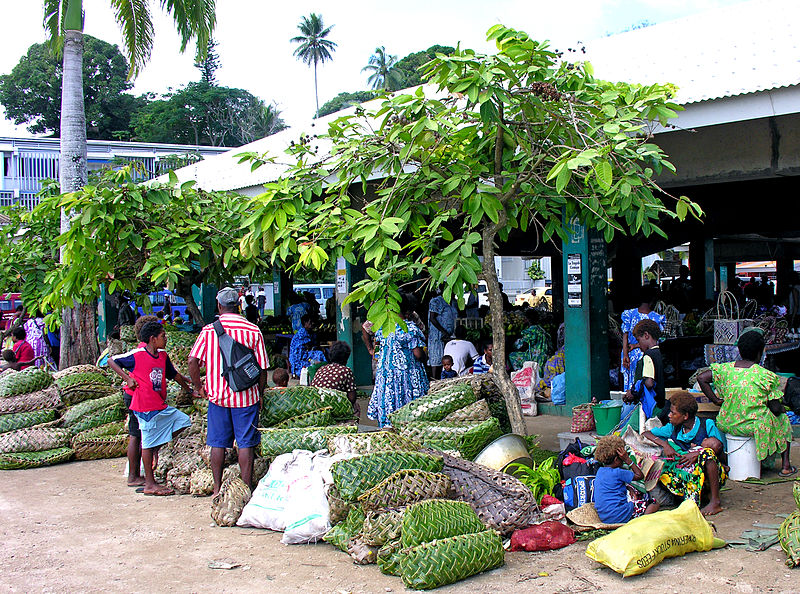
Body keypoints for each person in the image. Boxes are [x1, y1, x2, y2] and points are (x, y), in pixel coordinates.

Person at [188, 287, 269, 495]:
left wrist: (199, 387)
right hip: (246, 397)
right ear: (238, 305)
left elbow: (192, 360)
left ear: (219, 305)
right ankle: (245, 487)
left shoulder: (209, 331)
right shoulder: (253, 330)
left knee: (218, 443)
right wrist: (259, 393)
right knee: (245, 444)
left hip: (218, 397)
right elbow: (262, 368)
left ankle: (216, 488)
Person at [108, 321, 195, 495]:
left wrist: (190, 389)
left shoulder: (162, 355)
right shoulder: (137, 355)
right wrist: (127, 378)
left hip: (159, 404)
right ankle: (149, 483)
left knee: (183, 421)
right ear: (152, 339)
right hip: (144, 406)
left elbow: (174, 375)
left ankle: (154, 451)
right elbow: (111, 360)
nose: (166, 338)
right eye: (163, 336)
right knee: (143, 440)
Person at [697, 328, 795, 478]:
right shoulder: (765, 375)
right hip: (752, 426)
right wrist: (782, 408)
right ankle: (786, 466)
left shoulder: (725, 369)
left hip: (727, 423)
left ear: (740, 350)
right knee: (783, 420)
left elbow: (701, 378)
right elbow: (775, 408)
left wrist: (716, 400)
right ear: (760, 353)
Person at [643, 391, 728, 515]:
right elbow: (646, 433)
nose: (669, 415)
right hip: (689, 476)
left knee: (707, 453)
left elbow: (717, 447)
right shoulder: (672, 428)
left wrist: (697, 453)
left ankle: (715, 501)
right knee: (662, 468)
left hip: (711, 476)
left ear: (685, 416)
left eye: (673, 413)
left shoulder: (706, 425)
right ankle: (690, 500)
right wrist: (665, 445)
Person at [368, 293, 428, 427]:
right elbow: (418, 354)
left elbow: (377, 353)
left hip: (386, 377)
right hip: (407, 377)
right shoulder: (410, 328)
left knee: (388, 409)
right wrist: (425, 358)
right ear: (407, 310)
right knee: (409, 417)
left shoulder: (382, 328)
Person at [593, 434, 659, 524]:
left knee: (635, 495)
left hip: (605, 517)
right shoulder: (618, 472)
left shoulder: (600, 471)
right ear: (616, 459)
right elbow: (639, 475)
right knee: (654, 503)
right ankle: (643, 522)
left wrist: (629, 488)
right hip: (619, 515)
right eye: (622, 459)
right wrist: (628, 460)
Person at [623, 319, 669, 425]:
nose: (639, 345)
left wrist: (634, 390)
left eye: (638, 340)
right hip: (661, 404)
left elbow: (649, 383)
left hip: (651, 404)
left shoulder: (648, 355)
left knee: (628, 431)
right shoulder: (658, 353)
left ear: (646, 335)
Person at [620, 286, 665, 392]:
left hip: (630, 354)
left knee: (632, 382)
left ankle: (632, 399)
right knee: (645, 381)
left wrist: (626, 354)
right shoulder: (656, 318)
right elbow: (657, 340)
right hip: (644, 354)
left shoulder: (629, 314)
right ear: (652, 301)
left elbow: (625, 336)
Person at [311, 341, 360, 416]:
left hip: (315, 407)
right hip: (332, 409)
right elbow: (352, 398)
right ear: (346, 357)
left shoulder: (321, 369)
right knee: (356, 408)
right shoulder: (346, 371)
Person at [428, 289, 457, 380]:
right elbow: (432, 319)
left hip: (447, 336)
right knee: (436, 360)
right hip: (437, 336)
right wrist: (444, 332)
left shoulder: (452, 302)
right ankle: (434, 381)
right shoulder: (436, 301)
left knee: (446, 360)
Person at [289, 314, 326, 379]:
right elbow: (308, 347)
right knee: (319, 354)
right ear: (305, 323)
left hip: (304, 355)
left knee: (319, 353)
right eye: (310, 322)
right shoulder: (302, 333)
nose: (312, 324)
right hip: (299, 358)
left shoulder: (308, 332)